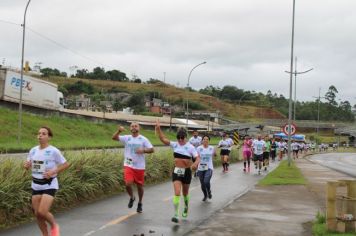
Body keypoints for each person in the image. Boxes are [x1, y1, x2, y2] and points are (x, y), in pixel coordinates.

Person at [24, 126, 70, 236]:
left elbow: (66, 164)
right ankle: (45, 234)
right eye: (39, 133)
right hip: (36, 184)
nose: (40, 135)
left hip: (49, 184)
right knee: (37, 214)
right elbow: (28, 165)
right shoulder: (33, 150)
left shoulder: (54, 151)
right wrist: (26, 165)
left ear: (49, 137)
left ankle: (54, 225)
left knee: (42, 212)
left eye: (44, 133)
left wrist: (53, 172)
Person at [155, 120, 199, 223]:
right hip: (177, 171)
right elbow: (163, 139)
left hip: (187, 172)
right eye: (178, 138)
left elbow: (197, 158)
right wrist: (158, 129)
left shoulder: (190, 147)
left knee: (185, 193)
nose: (180, 140)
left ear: (185, 137)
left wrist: (194, 164)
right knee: (177, 192)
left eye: (182, 138)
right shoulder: (175, 145)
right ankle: (175, 214)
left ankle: (186, 207)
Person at [112, 122, 154, 213]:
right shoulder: (127, 138)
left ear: (139, 128)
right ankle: (132, 197)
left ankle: (140, 203)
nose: (134, 127)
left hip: (139, 166)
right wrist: (119, 131)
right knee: (128, 183)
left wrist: (143, 150)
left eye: (136, 126)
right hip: (128, 164)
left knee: (140, 186)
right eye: (132, 126)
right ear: (130, 128)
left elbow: (152, 149)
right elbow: (114, 138)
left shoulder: (143, 139)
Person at [196, 135, 216, 201]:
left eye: (207, 139)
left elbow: (214, 155)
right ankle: (205, 195)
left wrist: (213, 156)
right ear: (202, 140)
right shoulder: (199, 148)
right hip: (200, 167)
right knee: (202, 184)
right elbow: (197, 157)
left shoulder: (212, 148)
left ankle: (209, 191)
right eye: (204, 139)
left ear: (209, 141)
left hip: (209, 167)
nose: (205, 140)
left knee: (206, 181)